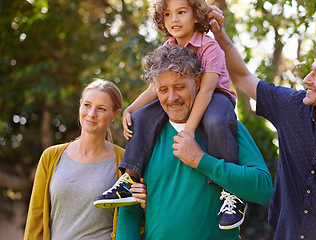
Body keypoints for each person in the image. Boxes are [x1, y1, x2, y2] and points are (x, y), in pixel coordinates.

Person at [207, 6, 316, 240]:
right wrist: (219, 33)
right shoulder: (291, 106)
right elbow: (242, 76)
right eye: (311, 71)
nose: (307, 80)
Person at [94, 0, 247, 230]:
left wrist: (189, 131)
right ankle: (129, 179)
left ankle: (232, 193)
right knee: (142, 117)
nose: (174, 19)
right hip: (184, 95)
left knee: (215, 120)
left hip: (215, 96)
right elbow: (155, 88)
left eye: (181, 12)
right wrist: (131, 109)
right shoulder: (168, 47)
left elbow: (205, 90)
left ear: (196, 16)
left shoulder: (209, 47)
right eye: (167, 14)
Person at [115, 44, 273, 240]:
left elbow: (263, 189)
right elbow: (129, 213)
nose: (172, 98)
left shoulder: (224, 126)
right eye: (163, 90)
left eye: (180, 87)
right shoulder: (145, 134)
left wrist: (201, 160)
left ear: (198, 82)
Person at [23, 79, 147, 240]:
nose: (91, 114)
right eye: (87, 105)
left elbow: (135, 220)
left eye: (101, 109)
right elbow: (36, 218)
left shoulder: (125, 161)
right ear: (80, 105)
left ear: (114, 115)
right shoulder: (51, 156)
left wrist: (144, 205)